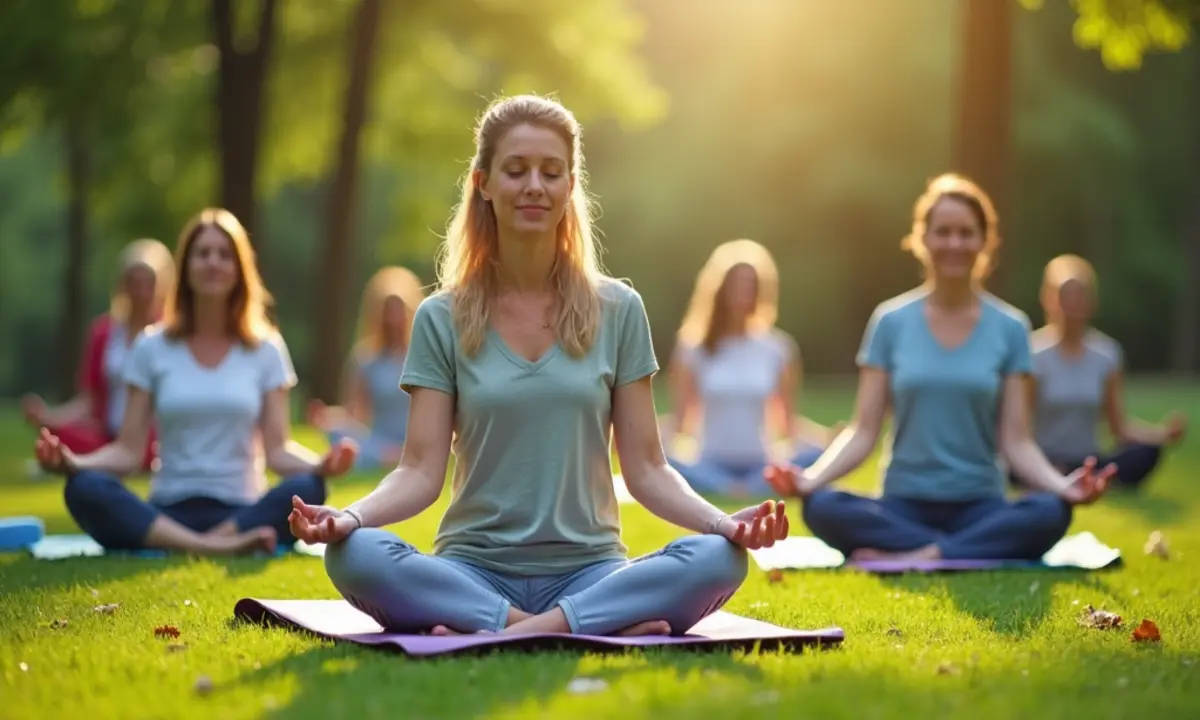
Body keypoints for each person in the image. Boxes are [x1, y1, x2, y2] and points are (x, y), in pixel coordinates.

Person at [288, 94, 789, 638]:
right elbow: (420, 470)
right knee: (353, 554)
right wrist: (351, 518)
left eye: (551, 172)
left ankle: (504, 629)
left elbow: (646, 467)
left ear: (570, 186)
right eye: (516, 170)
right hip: (472, 569)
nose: (534, 186)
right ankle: (568, 626)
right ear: (483, 183)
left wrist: (723, 524)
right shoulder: (440, 317)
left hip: (589, 571)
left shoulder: (619, 310)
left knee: (720, 559)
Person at [763, 173, 1115, 563]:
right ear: (922, 239)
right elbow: (863, 430)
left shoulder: (1011, 327)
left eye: (966, 233)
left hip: (980, 504)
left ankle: (922, 554)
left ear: (985, 241)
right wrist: (810, 478)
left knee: (1051, 511)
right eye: (943, 232)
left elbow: (1017, 441)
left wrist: (1062, 487)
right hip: (902, 504)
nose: (954, 243)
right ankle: (957, 550)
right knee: (820, 505)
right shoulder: (890, 322)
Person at [33, 208, 357, 556]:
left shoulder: (266, 349)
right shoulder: (151, 347)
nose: (213, 262)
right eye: (202, 253)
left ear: (240, 269)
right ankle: (212, 546)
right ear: (185, 268)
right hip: (168, 509)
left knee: (310, 486)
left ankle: (203, 541)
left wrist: (321, 465)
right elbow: (128, 451)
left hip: (242, 509)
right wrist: (73, 463)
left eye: (224, 254)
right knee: (83, 487)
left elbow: (278, 449)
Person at [665, 239, 839, 497]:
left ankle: (739, 489)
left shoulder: (778, 348)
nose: (744, 293)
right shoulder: (693, 348)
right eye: (737, 285)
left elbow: (787, 424)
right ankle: (730, 487)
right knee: (666, 460)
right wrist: (634, 438)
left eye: (751, 285)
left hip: (762, 466)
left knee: (820, 456)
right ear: (720, 289)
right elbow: (680, 423)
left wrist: (830, 441)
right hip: (708, 463)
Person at [1026, 254, 1186, 490]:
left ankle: (1093, 478)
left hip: (1089, 460)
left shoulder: (1107, 353)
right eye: (1066, 295)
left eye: (1080, 295)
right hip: (1047, 460)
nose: (1073, 303)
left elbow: (1118, 427)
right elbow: (1021, 426)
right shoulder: (1034, 353)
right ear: (1049, 299)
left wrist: (1161, 435)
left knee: (1144, 453)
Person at [22, 239, 175, 471]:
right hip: (108, 434)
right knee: (56, 437)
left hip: (155, 440)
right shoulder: (104, 333)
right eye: (134, 281)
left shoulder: (171, 335)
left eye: (148, 282)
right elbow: (89, 399)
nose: (140, 290)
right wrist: (50, 417)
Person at [307, 266, 425, 471]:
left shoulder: (423, 356)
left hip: (416, 440)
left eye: (399, 310)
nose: (394, 319)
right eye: (389, 311)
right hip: (379, 441)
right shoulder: (366, 358)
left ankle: (397, 455)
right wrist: (328, 417)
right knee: (340, 435)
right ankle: (385, 456)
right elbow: (354, 414)